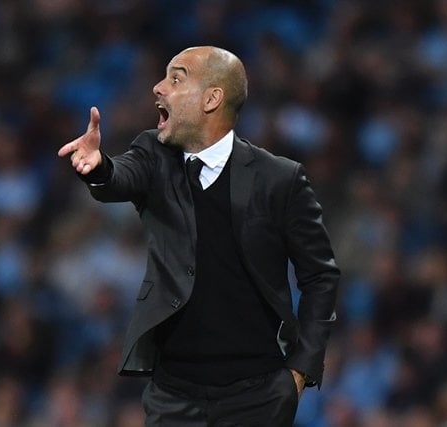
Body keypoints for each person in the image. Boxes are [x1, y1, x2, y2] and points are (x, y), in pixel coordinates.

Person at [58, 46, 340, 426]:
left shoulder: (279, 179)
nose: (158, 87)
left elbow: (320, 276)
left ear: (212, 98)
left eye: (176, 78)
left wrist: (301, 371)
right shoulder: (152, 156)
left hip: (259, 396)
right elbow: (119, 176)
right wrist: (98, 168)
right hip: (173, 396)